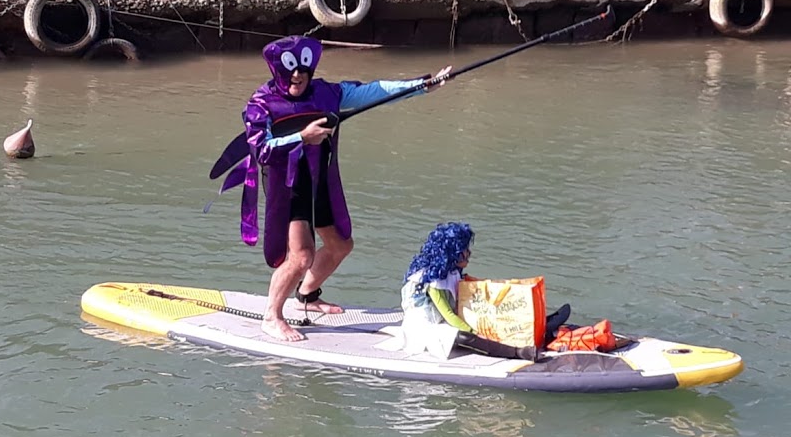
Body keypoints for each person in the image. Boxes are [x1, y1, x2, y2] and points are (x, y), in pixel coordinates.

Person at [242, 35, 452, 342]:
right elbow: (261, 150)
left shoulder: (327, 93)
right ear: (278, 71)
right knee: (301, 256)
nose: (297, 76)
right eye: (291, 72)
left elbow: (375, 92)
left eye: (303, 70)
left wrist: (424, 85)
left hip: (320, 178)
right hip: (288, 184)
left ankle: (307, 296)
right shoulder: (261, 104)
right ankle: (271, 316)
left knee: (341, 244)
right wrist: (302, 136)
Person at [399, 222, 571, 360]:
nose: (469, 253)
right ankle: (519, 352)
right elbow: (448, 315)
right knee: (462, 336)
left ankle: (539, 324)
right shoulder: (432, 280)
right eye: (464, 250)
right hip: (427, 327)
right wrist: (475, 331)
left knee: (488, 313)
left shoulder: (451, 272)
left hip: (446, 318)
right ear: (452, 254)